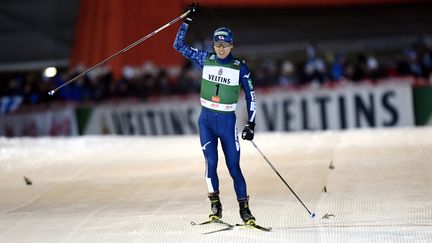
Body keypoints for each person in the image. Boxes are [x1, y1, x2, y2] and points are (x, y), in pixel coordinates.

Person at [173, 3, 258, 225]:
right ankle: (215, 205)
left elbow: (251, 96)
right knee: (211, 162)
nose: (221, 48)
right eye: (217, 44)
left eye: (225, 44)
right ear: (213, 44)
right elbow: (178, 45)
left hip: (228, 123)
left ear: (231, 45)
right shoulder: (205, 59)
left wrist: (251, 124)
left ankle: (245, 209)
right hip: (207, 122)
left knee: (233, 167)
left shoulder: (240, 67)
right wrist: (186, 20)